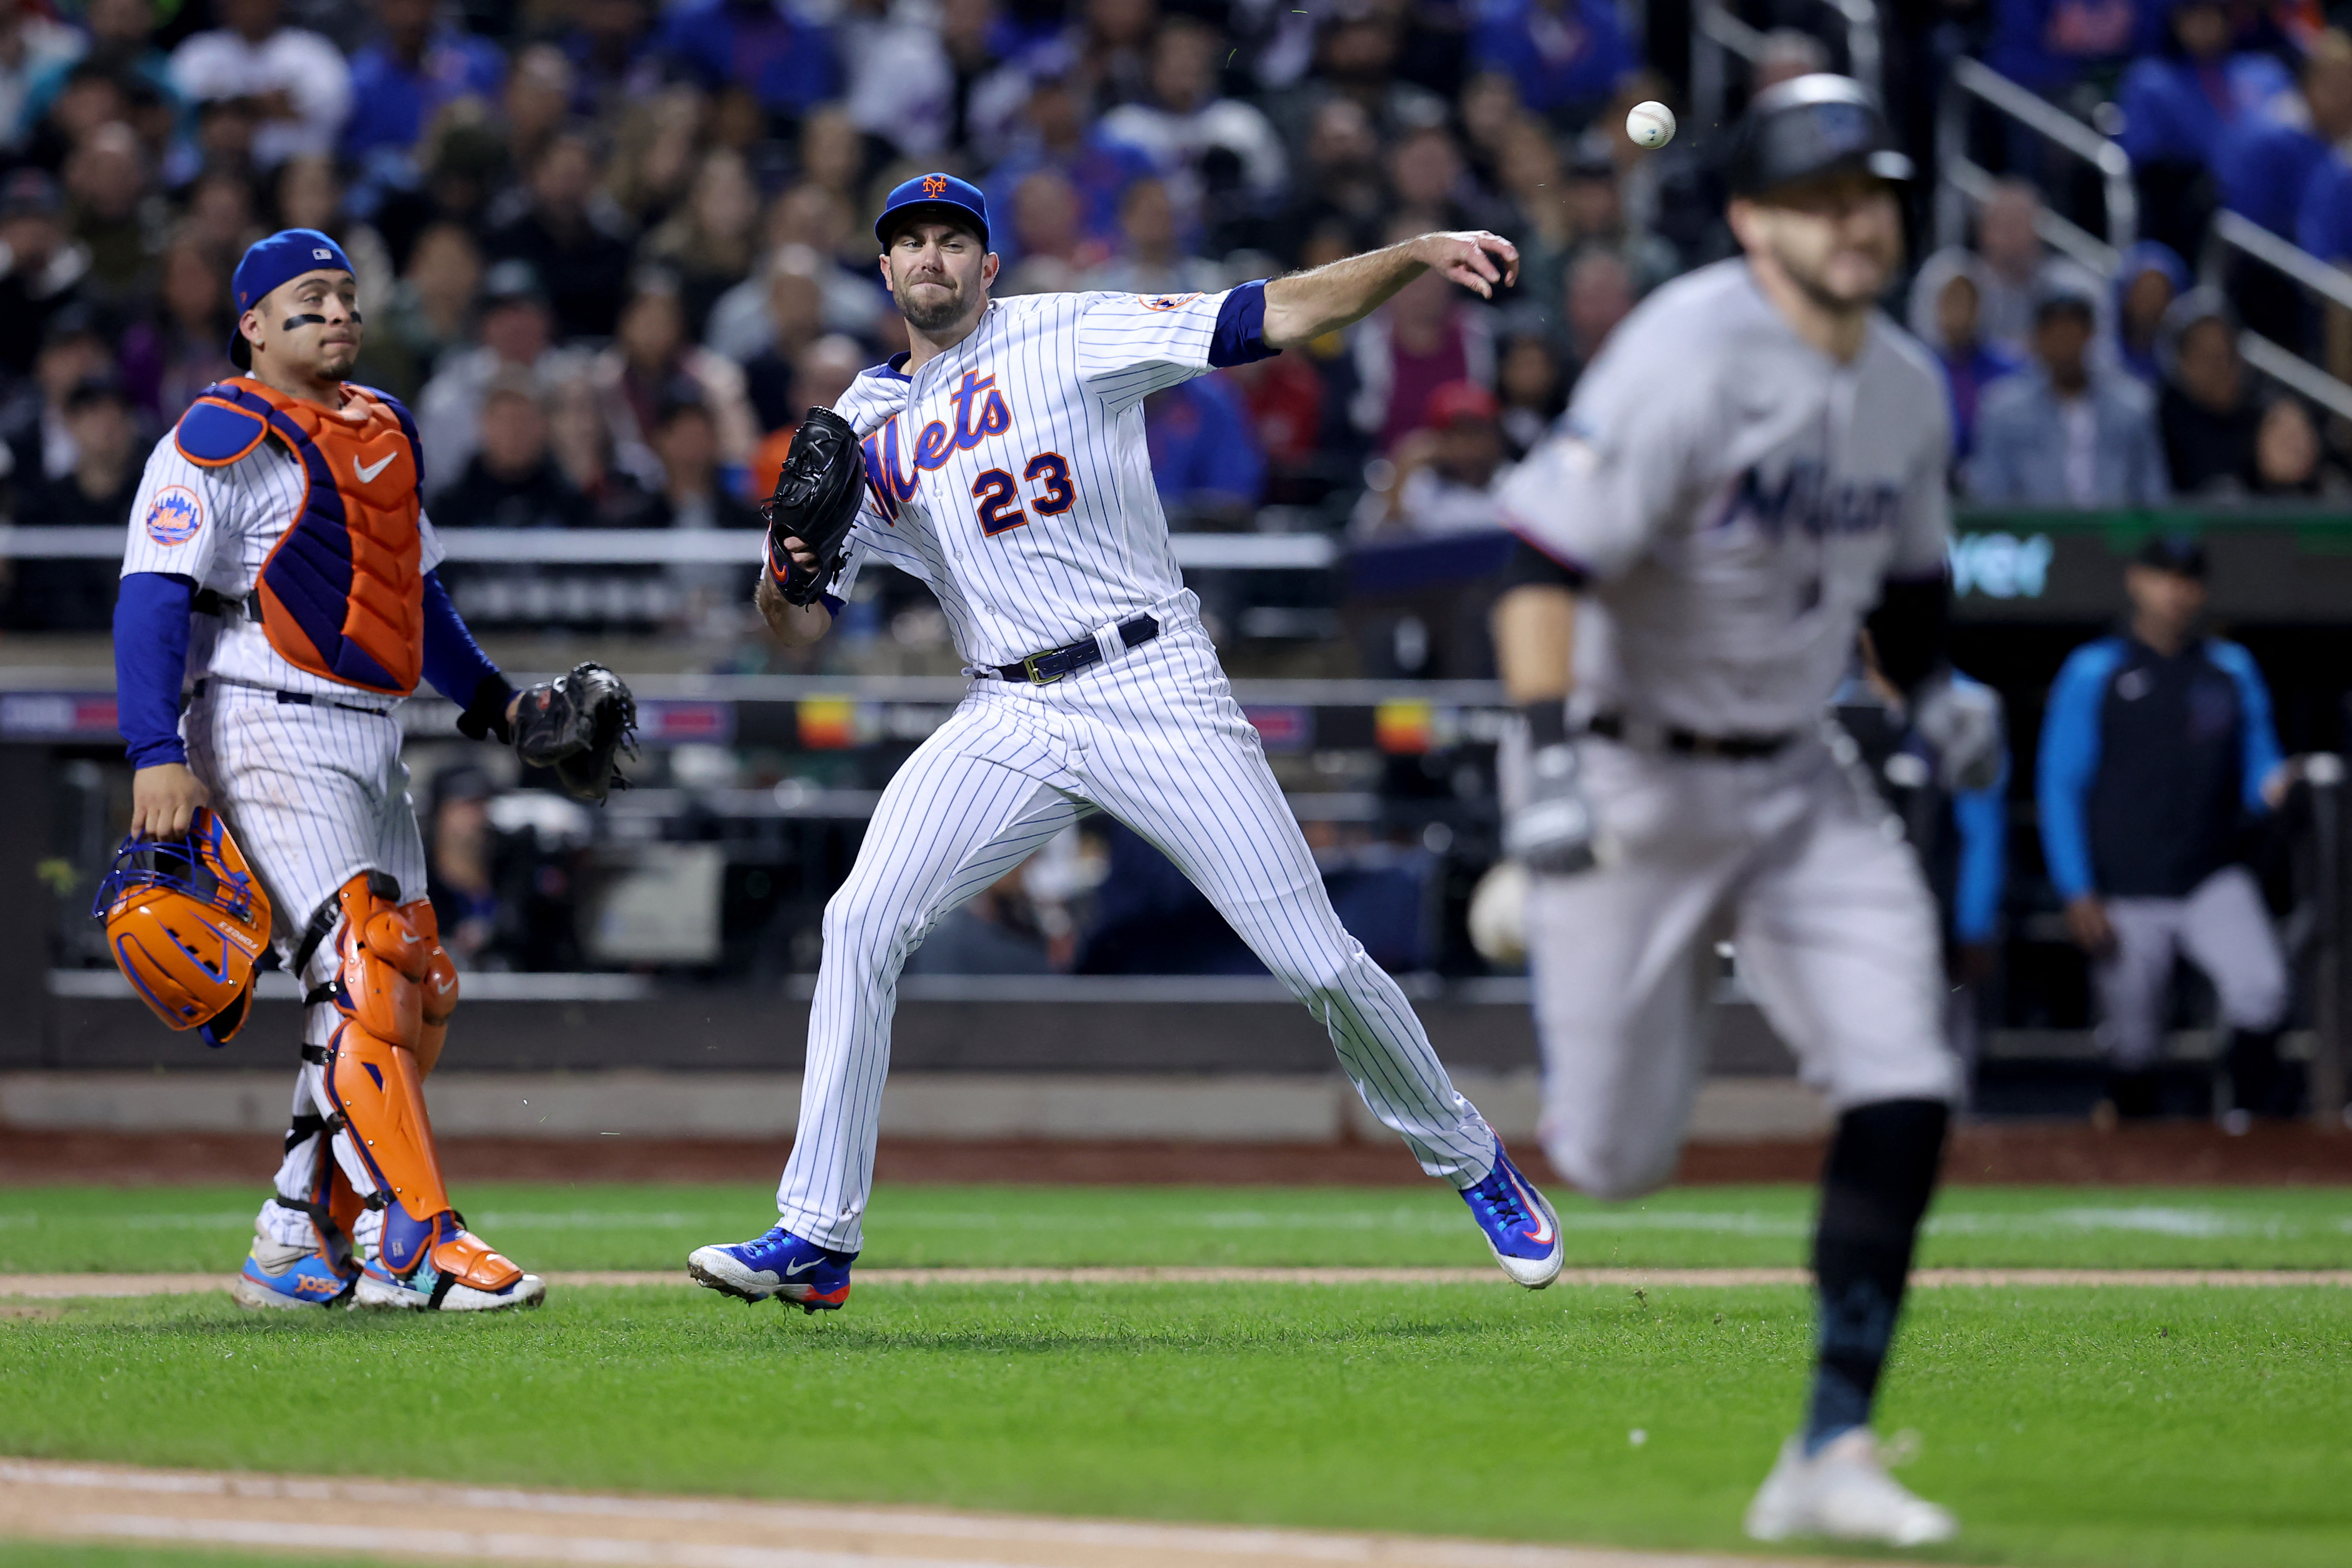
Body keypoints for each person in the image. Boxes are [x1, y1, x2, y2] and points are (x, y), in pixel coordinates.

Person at [687, 172, 1566, 1314]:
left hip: (1151, 679)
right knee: (859, 919)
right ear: (886, 271)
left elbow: (1267, 316)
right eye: (911, 244)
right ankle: (815, 1236)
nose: (933, 260)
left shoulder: (1066, 328)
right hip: (1008, 709)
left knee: (1314, 960)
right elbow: (795, 618)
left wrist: (1412, 250)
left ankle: (1470, 1158)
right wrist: (784, 568)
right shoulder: (860, 421)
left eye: (954, 241)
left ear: (988, 267)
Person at [1491, 77, 1988, 1545]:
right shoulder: (1685, 352)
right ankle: (1627, 961)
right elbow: (1538, 561)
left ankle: (1830, 1444)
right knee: (1617, 1159)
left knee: (1907, 1073)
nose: (1858, 219)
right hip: (1634, 774)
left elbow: (1906, 583)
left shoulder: (1901, 382)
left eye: (1873, 193)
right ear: (1752, 217)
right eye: (1824, 195)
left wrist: (1936, 685)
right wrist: (1550, 761)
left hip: (1798, 776)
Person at [110, 227, 548, 1313]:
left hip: (373, 731)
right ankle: (416, 1240)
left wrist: (498, 705)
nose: (339, 313)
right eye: (311, 299)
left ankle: (297, 1235)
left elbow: (415, 596)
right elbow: (151, 598)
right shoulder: (214, 436)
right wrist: (155, 753)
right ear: (253, 324)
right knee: (358, 969)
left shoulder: (386, 428)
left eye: (348, 296)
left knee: (418, 985)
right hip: (265, 719)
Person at [2037, 536, 2296, 1123]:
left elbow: (2260, 760)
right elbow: (2061, 784)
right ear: (2137, 581)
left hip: (2210, 873)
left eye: (2187, 580)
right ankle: (2138, 1145)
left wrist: (2279, 782)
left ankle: (2246, 1123)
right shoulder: (2095, 669)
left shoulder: (2229, 667)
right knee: (2133, 1041)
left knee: (2261, 988)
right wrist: (2077, 888)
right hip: (2125, 883)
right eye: (2163, 577)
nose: (2175, 593)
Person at [1968, 284, 2171, 506]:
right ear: (2038, 338)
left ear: (2090, 336)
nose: (2064, 343)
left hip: (2116, 536)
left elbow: (2153, 491)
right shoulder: (2003, 410)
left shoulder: (2133, 405)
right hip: (2033, 536)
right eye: (2053, 332)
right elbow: (1991, 494)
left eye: (2072, 332)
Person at [1906, 249, 2022, 463]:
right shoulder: (1913, 370)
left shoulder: (2011, 371)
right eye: (1950, 300)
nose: (1960, 310)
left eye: (1968, 300)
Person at [2156, 289, 2259, 495]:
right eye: (2208, 358)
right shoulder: (2160, 423)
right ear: (2181, 362)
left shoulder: (2258, 420)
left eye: (2227, 355)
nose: (2221, 369)